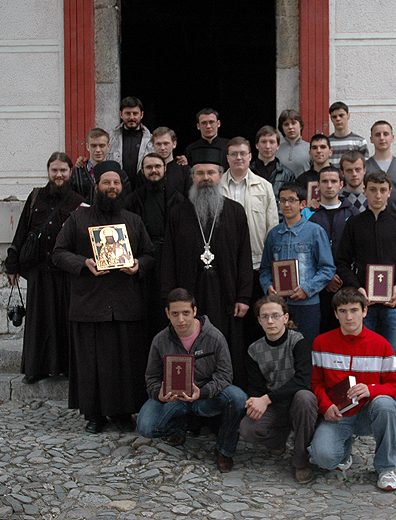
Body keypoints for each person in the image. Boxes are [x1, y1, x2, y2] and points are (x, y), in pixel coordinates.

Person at [52, 161, 155, 434]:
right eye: (106, 182)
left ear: (122, 187)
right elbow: (58, 253)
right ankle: (94, 414)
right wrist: (84, 263)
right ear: (96, 187)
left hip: (125, 304)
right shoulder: (78, 219)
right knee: (91, 364)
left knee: (125, 362)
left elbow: (149, 254)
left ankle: (123, 413)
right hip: (90, 304)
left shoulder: (133, 220)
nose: (112, 187)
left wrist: (138, 266)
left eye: (116, 183)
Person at [334, 170, 396, 443]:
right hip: (364, 307)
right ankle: (357, 413)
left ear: (390, 192)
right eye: (373, 190)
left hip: (394, 305)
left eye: (383, 190)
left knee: (394, 362)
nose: (378, 195)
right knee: (360, 360)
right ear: (365, 191)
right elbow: (342, 262)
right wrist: (357, 287)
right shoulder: (354, 224)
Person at [160, 147, 254, 387]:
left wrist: (243, 297)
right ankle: (191, 395)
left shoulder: (235, 211)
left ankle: (227, 395)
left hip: (227, 295)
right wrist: (169, 298)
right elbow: (168, 258)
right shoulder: (178, 213)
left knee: (227, 346)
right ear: (192, 177)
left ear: (220, 176)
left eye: (211, 173)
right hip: (189, 295)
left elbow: (244, 257)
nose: (205, 178)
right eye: (200, 173)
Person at [136, 288, 247, 472]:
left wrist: (202, 392)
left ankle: (224, 450)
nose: (181, 319)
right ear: (167, 313)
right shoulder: (160, 340)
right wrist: (159, 394)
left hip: (205, 396)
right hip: (174, 398)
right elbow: (152, 377)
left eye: (186, 313)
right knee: (146, 427)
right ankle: (178, 428)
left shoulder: (214, 337)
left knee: (238, 398)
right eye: (175, 314)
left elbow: (225, 375)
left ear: (195, 311)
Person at [308, 288, 396, 491]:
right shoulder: (322, 342)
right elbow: (316, 383)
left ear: (364, 311)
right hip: (338, 414)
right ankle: (344, 450)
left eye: (354, 310)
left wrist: (370, 390)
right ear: (336, 314)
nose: (349, 317)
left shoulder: (381, 344)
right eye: (343, 311)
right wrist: (325, 406)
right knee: (323, 459)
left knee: (386, 405)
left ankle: (386, 468)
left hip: (368, 412)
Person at [5, 152, 86, 384]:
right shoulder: (35, 197)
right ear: (48, 172)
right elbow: (21, 230)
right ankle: (35, 368)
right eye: (54, 170)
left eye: (63, 170)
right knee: (38, 321)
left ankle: (66, 368)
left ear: (70, 172)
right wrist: (12, 264)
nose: (59, 175)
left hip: (65, 271)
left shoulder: (78, 201)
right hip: (38, 270)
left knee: (64, 320)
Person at [239, 295, 318, 484]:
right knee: (247, 429)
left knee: (305, 398)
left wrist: (266, 399)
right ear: (259, 320)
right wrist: (255, 402)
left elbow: (302, 380)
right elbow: (255, 386)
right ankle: (279, 438)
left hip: (297, 401)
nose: (270, 321)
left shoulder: (299, 341)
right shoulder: (254, 350)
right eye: (264, 317)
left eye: (275, 316)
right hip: (274, 405)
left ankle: (300, 459)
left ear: (285, 317)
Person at [220, 136, 279, 348]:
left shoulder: (264, 187)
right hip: (224, 266)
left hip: (255, 264)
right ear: (227, 158)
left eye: (243, 154)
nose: (239, 158)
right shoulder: (216, 186)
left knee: (256, 322)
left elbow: (272, 228)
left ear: (250, 156)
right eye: (234, 154)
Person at [259, 182, 335, 346]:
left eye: (292, 200)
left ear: (302, 204)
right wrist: (268, 287)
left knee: (305, 347)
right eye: (283, 200)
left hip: (307, 305)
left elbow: (328, 268)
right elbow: (265, 269)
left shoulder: (315, 231)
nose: (286, 205)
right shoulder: (273, 234)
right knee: (281, 348)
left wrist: (307, 289)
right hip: (279, 305)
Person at [124, 152, 185, 333]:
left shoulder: (177, 198)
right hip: (141, 260)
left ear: (165, 169)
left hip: (168, 259)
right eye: (149, 167)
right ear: (142, 171)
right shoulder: (132, 200)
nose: (154, 171)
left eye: (157, 166)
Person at [307, 166, 354, 334]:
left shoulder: (352, 213)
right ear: (318, 185)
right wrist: (325, 278)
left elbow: (357, 250)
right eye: (324, 181)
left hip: (345, 283)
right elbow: (306, 253)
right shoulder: (309, 214)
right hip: (317, 286)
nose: (329, 185)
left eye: (333, 181)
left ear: (341, 184)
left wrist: (343, 275)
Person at [365, 120, 396, 214]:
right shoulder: (365, 168)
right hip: (371, 220)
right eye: (377, 135)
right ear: (371, 139)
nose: (382, 138)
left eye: (386, 134)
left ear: (392, 137)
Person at [71, 128, 131, 205]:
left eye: (102, 145)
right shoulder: (76, 173)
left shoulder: (119, 174)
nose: (98, 150)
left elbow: (126, 200)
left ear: (108, 146)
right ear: (87, 146)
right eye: (93, 146)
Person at [250, 125, 296, 221]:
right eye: (263, 142)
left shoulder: (287, 175)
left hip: (279, 223)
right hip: (253, 222)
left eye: (272, 142)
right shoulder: (248, 172)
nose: (267, 146)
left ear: (278, 146)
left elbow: (291, 202)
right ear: (257, 145)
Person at [108, 96, 154, 188]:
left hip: (143, 190)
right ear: (121, 114)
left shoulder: (152, 140)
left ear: (141, 115)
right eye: (127, 114)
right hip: (117, 190)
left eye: (135, 113)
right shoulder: (110, 138)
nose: (131, 117)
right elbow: (99, 159)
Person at [327, 101, 369, 168]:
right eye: (334, 117)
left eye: (341, 115)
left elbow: (365, 167)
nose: (338, 119)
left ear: (348, 116)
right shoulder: (326, 143)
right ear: (331, 119)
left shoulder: (360, 142)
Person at [151, 126, 190, 196]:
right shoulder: (147, 172)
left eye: (166, 143)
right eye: (158, 144)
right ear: (153, 145)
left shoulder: (185, 171)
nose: (162, 148)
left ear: (174, 144)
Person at [276, 109, 311, 177]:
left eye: (293, 123)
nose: (290, 127)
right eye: (286, 124)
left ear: (300, 126)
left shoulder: (310, 148)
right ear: (282, 128)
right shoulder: (276, 150)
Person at [339, 150, 368, 215]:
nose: (354, 174)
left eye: (358, 170)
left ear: (364, 170)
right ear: (342, 173)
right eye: (349, 171)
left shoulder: (373, 195)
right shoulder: (338, 197)